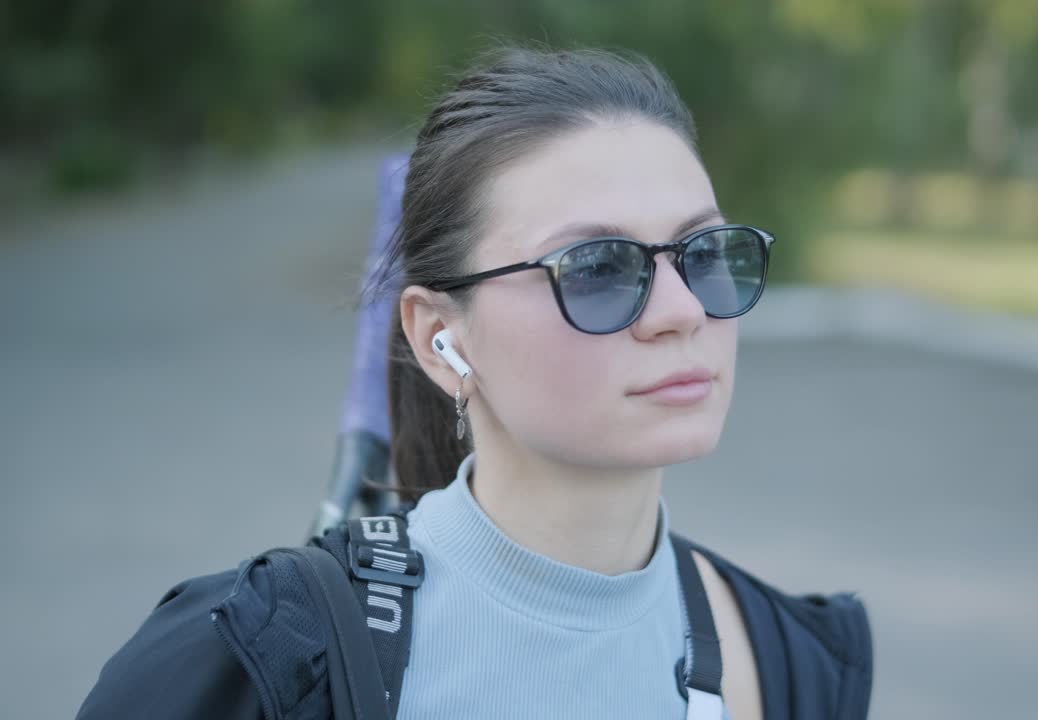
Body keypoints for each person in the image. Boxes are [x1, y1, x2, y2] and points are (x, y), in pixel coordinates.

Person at [76, 44, 872, 720]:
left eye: (704, 252)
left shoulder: (789, 663)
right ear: (438, 336)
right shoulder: (257, 661)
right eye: (596, 269)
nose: (678, 311)